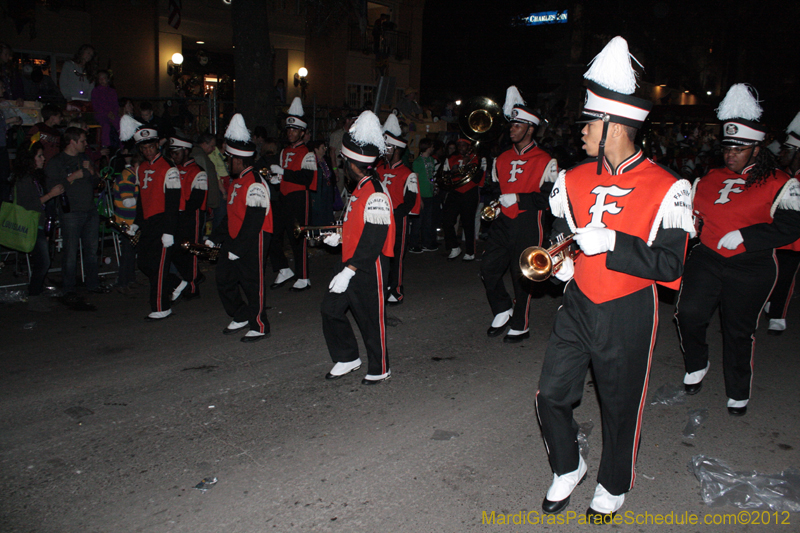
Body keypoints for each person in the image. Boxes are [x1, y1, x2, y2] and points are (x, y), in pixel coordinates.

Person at [535, 37, 695, 521]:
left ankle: (613, 482)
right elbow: (563, 233)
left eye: (589, 123)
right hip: (578, 301)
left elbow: (671, 265)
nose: (582, 131)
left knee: (620, 405)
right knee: (550, 395)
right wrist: (561, 263)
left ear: (614, 126)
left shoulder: (670, 187)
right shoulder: (573, 178)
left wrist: (615, 245)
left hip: (628, 310)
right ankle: (568, 466)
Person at [675, 84, 800, 417]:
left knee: (738, 329)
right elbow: (693, 215)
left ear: (756, 150)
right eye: (727, 146)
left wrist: (749, 236)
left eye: (739, 148)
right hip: (708, 256)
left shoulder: (780, 182)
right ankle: (697, 363)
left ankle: (738, 389)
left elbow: (792, 226)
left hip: (751, 265)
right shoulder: (709, 177)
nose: (730, 153)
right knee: (688, 313)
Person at [320, 110, 395, 384]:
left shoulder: (374, 191)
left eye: (344, 162)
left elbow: (374, 238)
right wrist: (339, 237)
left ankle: (381, 366)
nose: (342, 165)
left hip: (367, 266)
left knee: (370, 320)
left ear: (353, 164)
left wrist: (349, 270)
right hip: (352, 262)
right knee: (330, 309)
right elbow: (360, 227)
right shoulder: (361, 187)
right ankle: (348, 357)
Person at [481, 86, 559, 343]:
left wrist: (518, 198)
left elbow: (549, 200)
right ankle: (503, 307)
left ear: (530, 129)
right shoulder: (501, 158)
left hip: (529, 222)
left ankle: (521, 324)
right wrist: (493, 204)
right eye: (512, 125)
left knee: (521, 274)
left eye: (518, 126)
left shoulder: (545, 159)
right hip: (504, 221)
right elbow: (495, 189)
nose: (512, 129)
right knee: (488, 268)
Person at [209, 114, 272, 342]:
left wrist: (238, 248)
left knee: (251, 281)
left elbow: (254, 220)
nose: (227, 163)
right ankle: (241, 313)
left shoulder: (254, 182)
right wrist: (214, 238)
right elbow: (231, 217)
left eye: (229, 159)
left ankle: (260, 324)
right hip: (236, 238)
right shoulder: (236, 182)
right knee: (224, 276)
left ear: (239, 160)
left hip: (253, 238)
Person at [120, 115, 181, 321]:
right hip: (148, 223)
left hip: (164, 222)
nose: (147, 151)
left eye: (150, 147)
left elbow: (173, 202)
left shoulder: (169, 168)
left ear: (157, 145)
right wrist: (136, 223)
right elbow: (142, 199)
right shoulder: (142, 168)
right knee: (145, 263)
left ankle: (161, 307)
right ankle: (176, 282)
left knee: (159, 267)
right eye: (143, 148)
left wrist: (169, 231)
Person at [45, 126, 107, 298]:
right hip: (71, 212)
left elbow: (97, 182)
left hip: (90, 210)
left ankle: (93, 283)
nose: (85, 144)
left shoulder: (85, 158)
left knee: (91, 250)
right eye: (82, 141)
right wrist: (72, 177)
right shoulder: (57, 162)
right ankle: (68, 287)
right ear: (72, 142)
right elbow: (52, 188)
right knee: (71, 252)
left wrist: (93, 172)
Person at [268, 97, 318, 291]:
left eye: (295, 129)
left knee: (298, 238)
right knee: (273, 235)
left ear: (303, 132)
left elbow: (306, 178)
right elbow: (286, 174)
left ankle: (303, 277)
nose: (291, 133)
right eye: (289, 129)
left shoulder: (307, 153)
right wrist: (278, 180)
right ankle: (283, 269)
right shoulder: (284, 151)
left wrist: (283, 174)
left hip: (299, 199)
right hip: (284, 198)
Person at [13, 142, 64, 310]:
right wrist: (51, 194)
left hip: (38, 224)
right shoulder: (25, 180)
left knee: (42, 261)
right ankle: (34, 296)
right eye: (39, 156)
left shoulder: (34, 178)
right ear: (30, 159)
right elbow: (30, 205)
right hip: (31, 225)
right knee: (43, 261)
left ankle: (36, 293)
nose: (43, 159)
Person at [376, 113, 420, 305]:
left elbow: (410, 201)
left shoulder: (407, 174)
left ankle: (396, 289)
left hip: (397, 219)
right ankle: (381, 285)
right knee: (379, 254)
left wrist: (393, 214)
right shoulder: (378, 169)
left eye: (387, 147)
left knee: (396, 256)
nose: (384, 150)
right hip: (378, 219)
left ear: (396, 150)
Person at [765, 111, 800, 335]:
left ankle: (778, 316)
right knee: (769, 272)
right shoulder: (781, 175)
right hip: (772, 235)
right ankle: (767, 302)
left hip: (794, 241)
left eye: (787, 150)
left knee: (786, 277)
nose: (781, 154)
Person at [168, 133, 208, 302]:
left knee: (189, 250)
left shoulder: (198, 171)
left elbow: (196, 201)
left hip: (191, 216)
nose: (173, 156)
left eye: (176, 153)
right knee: (175, 250)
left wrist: (182, 213)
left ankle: (192, 287)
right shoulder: (173, 170)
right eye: (172, 153)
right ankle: (193, 278)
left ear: (185, 151)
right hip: (177, 215)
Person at [442, 138, 484, 261]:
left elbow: (478, 179)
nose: (460, 147)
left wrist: (467, 165)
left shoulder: (476, 158)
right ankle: (454, 246)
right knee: (447, 219)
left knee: (468, 222)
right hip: (455, 191)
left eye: (463, 145)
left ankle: (470, 251)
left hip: (469, 192)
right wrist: (451, 173)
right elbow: (445, 176)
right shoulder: (451, 158)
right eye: (458, 144)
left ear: (469, 146)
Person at [111, 145, 139, 293]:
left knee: (131, 252)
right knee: (128, 252)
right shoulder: (127, 177)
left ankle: (130, 279)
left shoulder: (132, 176)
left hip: (131, 220)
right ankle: (122, 282)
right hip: (125, 221)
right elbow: (128, 201)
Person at [408, 138, 438, 252]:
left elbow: (431, 175)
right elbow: (415, 180)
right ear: (427, 147)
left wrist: (434, 185)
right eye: (431, 146)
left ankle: (426, 242)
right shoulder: (417, 162)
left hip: (430, 194)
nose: (433, 148)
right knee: (418, 221)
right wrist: (418, 197)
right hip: (421, 195)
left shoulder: (431, 160)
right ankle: (413, 244)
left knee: (428, 221)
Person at [90, 70, 119, 149]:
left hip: (112, 114)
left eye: (104, 78)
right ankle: (105, 146)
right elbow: (96, 106)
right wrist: (106, 113)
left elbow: (115, 105)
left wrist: (114, 114)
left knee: (119, 124)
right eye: (100, 78)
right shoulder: (95, 91)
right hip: (101, 114)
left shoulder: (112, 91)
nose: (102, 80)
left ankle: (122, 145)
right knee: (106, 125)